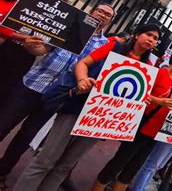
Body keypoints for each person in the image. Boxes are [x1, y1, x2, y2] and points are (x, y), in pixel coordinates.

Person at [13, 23, 160, 191]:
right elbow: (82, 64)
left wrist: (141, 99)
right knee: (45, 160)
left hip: (101, 119)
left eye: (155, 39)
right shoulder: (115, 47)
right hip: (77, 105)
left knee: (65, 166)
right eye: (149, 34)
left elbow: (135, 92)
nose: (151, 40)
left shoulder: (147, 66)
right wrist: (83, 80)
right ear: (137, 35)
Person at [0, 2, 114, 190]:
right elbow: (42, 50)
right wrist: (33, 45)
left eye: (107, 15)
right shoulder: (69, 29)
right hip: (32, 84)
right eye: (100, 11)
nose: (102, 15)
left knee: (25, 137)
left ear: (109, 22)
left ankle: (3, 171)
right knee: (3, 123)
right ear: (92, 12)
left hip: (55, 97)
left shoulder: (104, 46)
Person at [92, 49, 172, 191]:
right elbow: (141, 93)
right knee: (119, 162)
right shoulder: (159, 73)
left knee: (133, 168)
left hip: (155, 132)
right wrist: (159, 101)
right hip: (141, 126)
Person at [0, 0, 69, 104]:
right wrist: (24, 37)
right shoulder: (24, 6)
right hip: (5, 47)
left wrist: (34, 44)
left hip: (23, 57)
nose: (50, 0)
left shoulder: (57, 24)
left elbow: (44, 48)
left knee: (5, 89)